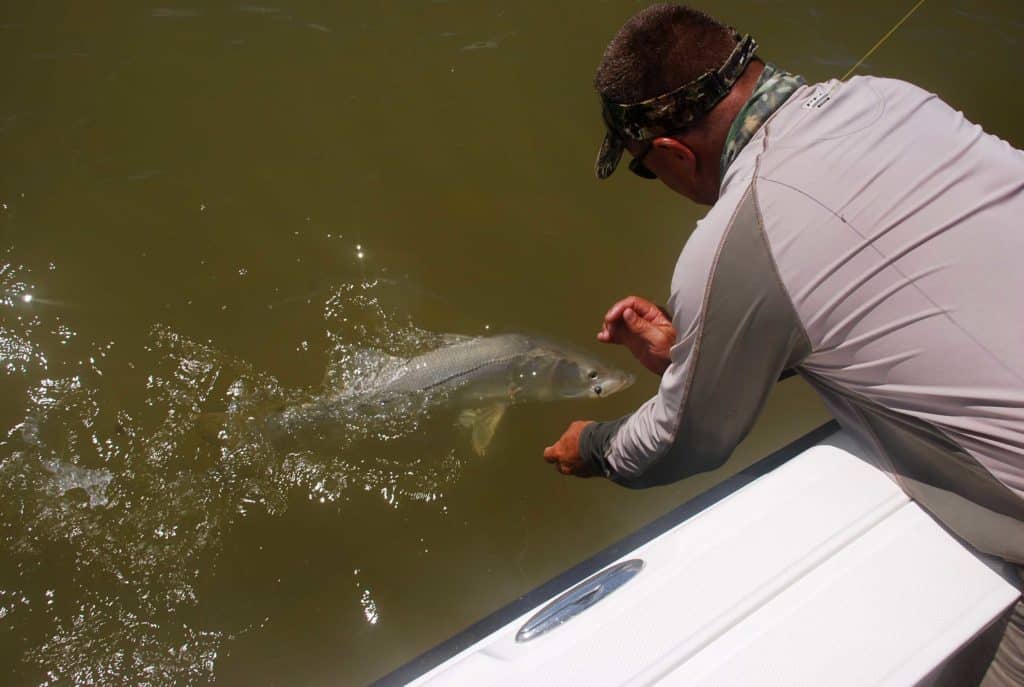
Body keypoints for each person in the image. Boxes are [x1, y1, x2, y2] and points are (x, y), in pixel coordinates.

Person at [541, 4, 1023, 684]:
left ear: (674, 153)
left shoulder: (729, 243)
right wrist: (698, 352)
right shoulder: (896, 97)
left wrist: (591, 446)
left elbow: (685, 438)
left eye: (648, 169)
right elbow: (877, 289)